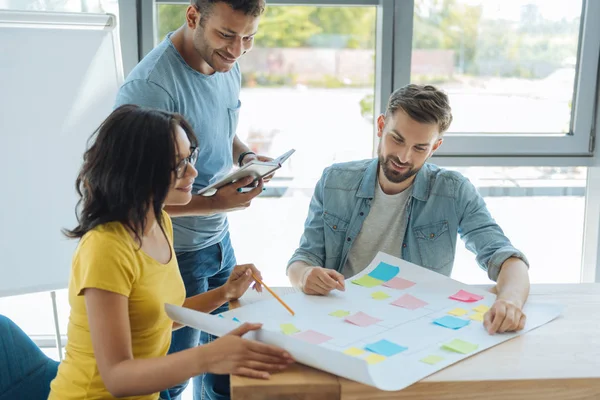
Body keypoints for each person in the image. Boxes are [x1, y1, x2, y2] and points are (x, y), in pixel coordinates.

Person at [48, 105, 293, 400]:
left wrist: (224, 293)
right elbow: (117, 378)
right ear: (138, 170)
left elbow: (158, 317)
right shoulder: (105, 249)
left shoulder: (158, 220)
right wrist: (208, 357)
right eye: (178, 165)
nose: (193, 171)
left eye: (190, 157)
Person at [114, 1, 270, 398]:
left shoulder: (224, 64)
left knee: (226, 368)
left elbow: (219, 128)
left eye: (248, 37)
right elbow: (130, 191)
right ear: (192, 17)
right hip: (173, 252)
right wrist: (216, 204)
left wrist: (246, 157)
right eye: (227, 35)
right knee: (171, 377)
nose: (236, 51)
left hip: (218, 241)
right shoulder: (150, 88)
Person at [287, 84, 531, 335]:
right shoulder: (335, 181)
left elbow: (507, 258)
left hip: (416, 326)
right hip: (343, 321)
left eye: (420, 148)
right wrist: (305, 276)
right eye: (397, 139)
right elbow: (302, 260)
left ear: (435, 147)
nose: (403, 157)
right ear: (381, 126)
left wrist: (510, 301)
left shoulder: (453, 190)